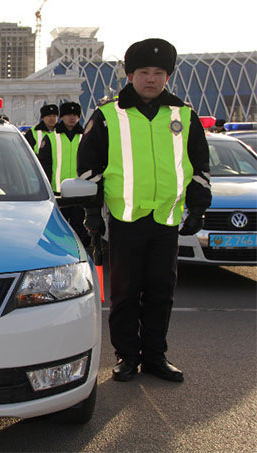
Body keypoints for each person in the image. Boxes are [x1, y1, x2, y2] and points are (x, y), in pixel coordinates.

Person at [77, 38, 212, 383]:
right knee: (124, 293)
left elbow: (199, 166)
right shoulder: (109, 114)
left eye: (159, 73)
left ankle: (155, 356)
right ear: (130, 74)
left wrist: (197, 207)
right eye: (143, 72)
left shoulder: (184, 115)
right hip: (125, 221)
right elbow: (89, 168)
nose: (151, 79)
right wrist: (93, 214)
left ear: (167, 76)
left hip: (166, 220)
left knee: (160, 292)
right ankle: (127, 356)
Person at [37, 101, 89, 245]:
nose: (72, 118)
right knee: (58, 231)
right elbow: (44, 165)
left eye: (75, 115)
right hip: (58, 193)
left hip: (81, 194)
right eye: (68, 115)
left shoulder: (85, 138)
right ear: (62, 117)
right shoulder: (52, 138)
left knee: (80, 230)